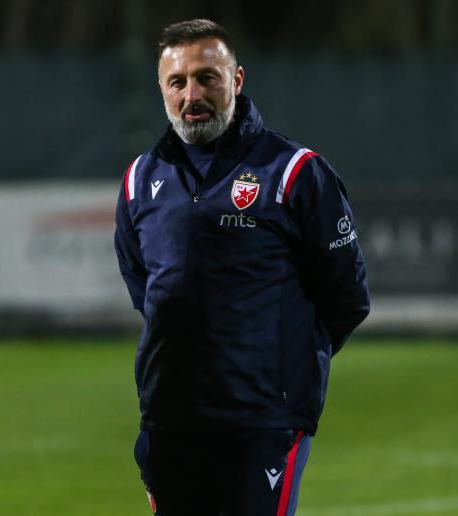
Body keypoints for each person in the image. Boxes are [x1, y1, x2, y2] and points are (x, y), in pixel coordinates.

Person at [114, 19, 370, 516]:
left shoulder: (294, 171)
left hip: (263, 420)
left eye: (206, 77)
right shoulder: (139, 180)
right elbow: (147, 290)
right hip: (170, 419)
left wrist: (278, 367)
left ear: (236, 79)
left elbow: (346, 297)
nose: (192, 95)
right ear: (161, 89)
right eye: (177, 82)